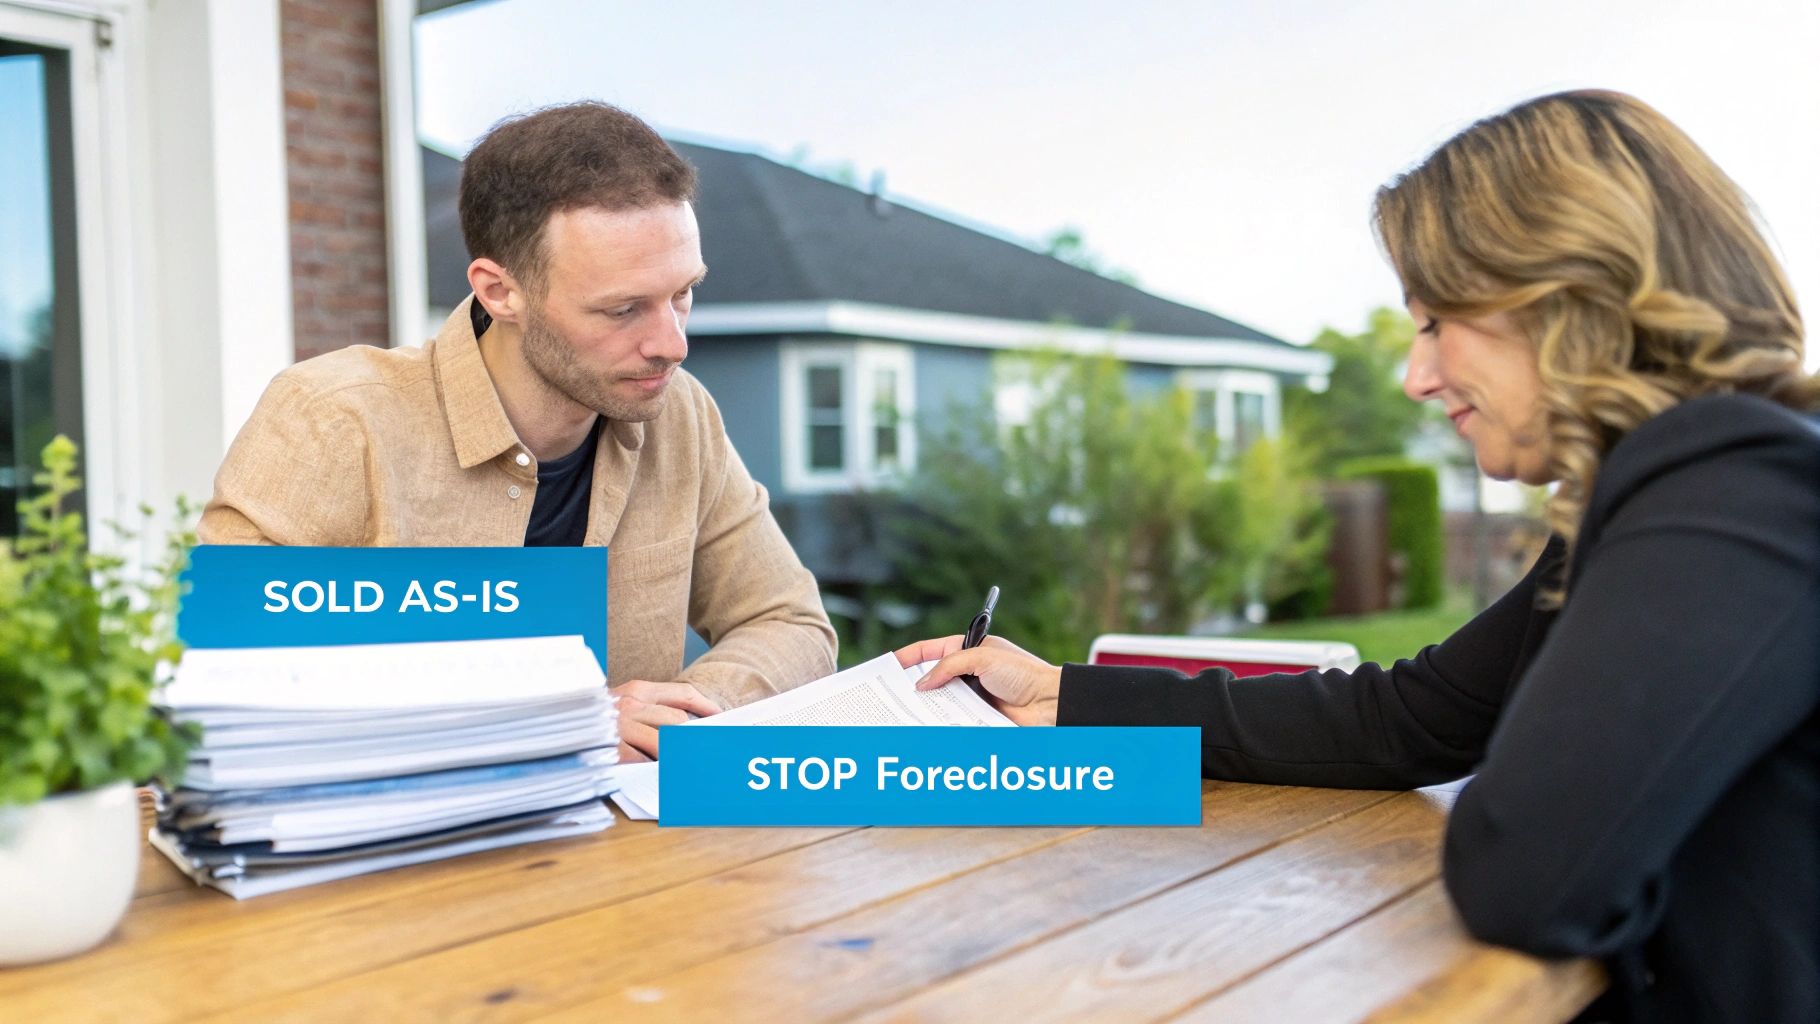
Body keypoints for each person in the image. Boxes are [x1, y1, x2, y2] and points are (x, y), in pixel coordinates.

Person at [900, 91, 1819, 1023]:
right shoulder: (1661, 500)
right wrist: (1068, 695)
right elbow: (1410, 718)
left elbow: (1528, 869)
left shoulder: (1741, 488)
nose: (1418, 377)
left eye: (1434, 324)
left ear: (1565, 297)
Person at [201, 102, 837, 762]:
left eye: (682, 293)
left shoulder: (683, 416)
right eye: (623, 309)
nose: (672, 344)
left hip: (630, 852)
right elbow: (226, 675)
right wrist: (558, 724)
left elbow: (786, 622)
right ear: (500, 292)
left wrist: (692, 714)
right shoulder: (335, 419)